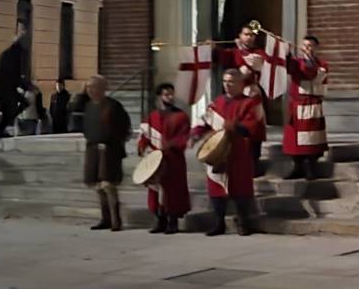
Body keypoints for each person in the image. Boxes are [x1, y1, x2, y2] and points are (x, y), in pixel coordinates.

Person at [192, 69, 266, 236]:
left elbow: (255, 125)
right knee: (216, 188)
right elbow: (204, 120)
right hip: (217, 152)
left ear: (241, 84)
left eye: (231, 82)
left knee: (240, 188)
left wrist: (235, 126)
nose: (227, 85)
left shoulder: (250, 103)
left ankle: (243, 222)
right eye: (225, 81)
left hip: (238, 150)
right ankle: (219, 223)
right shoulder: (216, 103)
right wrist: (195, 134)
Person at [137, 83, 191, 234]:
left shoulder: (180, 116)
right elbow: (145, 135)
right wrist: (142, 146)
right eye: (166, 94)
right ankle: (160, 221)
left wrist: (170, 146)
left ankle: (173, 222)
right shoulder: (153, 116)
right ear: (160, 96)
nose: (170, 96)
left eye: (172, 93)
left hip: (173, 159)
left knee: (172, 191)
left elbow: (184, 136)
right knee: (155, 192)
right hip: (155, 160)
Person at [82, 75, 132, 231]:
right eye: (88, 87)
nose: (90, 90)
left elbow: (124, 129)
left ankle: (116, 220)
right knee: (97, 186)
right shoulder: (89, 106)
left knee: (108, 185)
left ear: (102, 88)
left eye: (94, 86)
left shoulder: (113, 106)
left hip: (110, 151)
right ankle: (105, 219)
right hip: (93, 149)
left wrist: (112, 143)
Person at [214, 23, 268, 166]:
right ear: (239, 36)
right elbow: (221, 56)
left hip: (251, 93)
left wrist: (239, 50)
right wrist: (213, 47)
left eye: (251, 35)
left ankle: (255, 161)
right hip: (236, 95)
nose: (249, 38)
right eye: (246, 34)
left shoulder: (259, 53)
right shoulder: (234, 51)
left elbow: (250, 66)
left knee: (255, 127)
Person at [283, 36, 329, 179]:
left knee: (312, 140)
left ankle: (311, 168)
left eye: (311, 46)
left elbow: (310, 74)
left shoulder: (322, 64)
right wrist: (287, 53)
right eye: (305, 45)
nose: (307, 48)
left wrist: (308, 61)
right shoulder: (296, 63)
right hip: (298, 105)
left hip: (312, 104)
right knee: (294, 140)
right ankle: (297, 167)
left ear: (316, 48)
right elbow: (289, 67)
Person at [0, 29, 28, 150]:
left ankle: (2, 132)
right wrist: (25, 86)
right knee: (9, 112)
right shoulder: (13, 55)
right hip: (4, 89)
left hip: (3, 88)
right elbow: (14, 75)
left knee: (14, 109)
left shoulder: (9, 53)